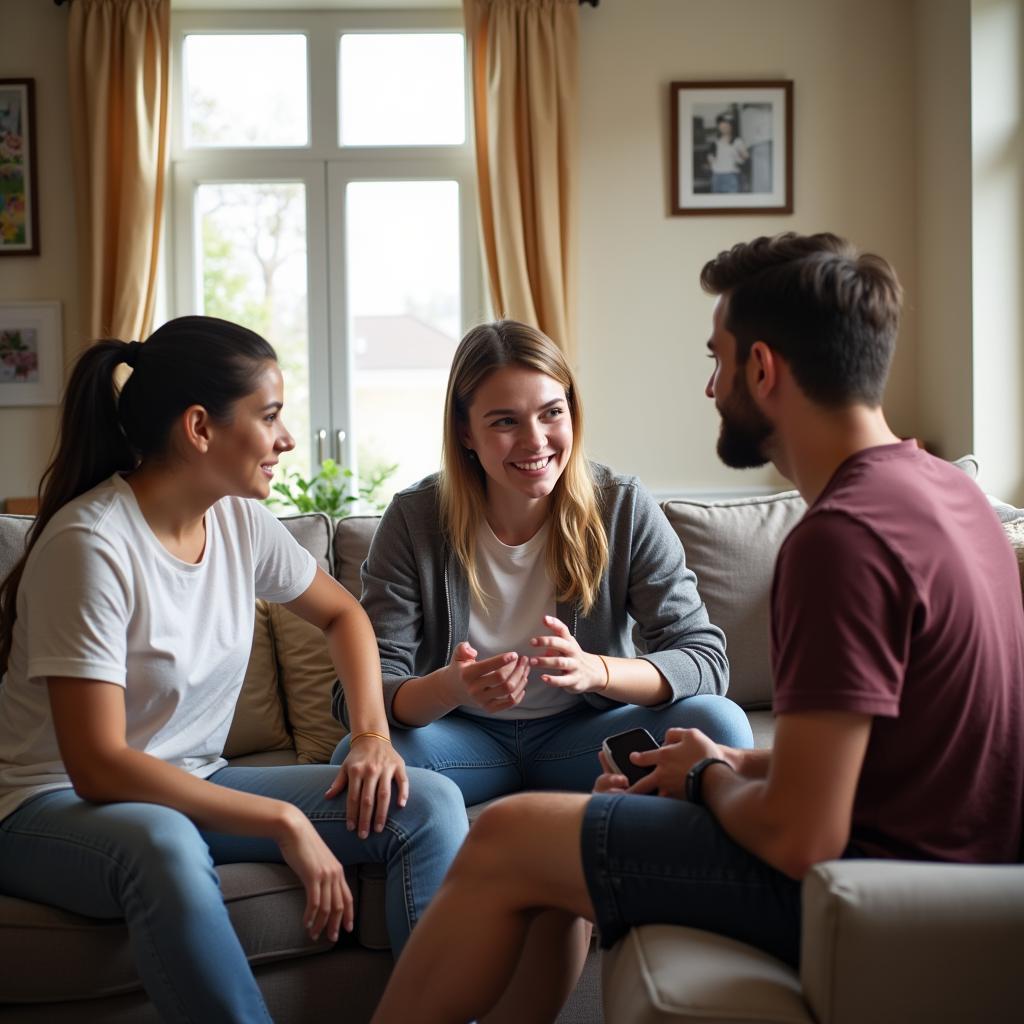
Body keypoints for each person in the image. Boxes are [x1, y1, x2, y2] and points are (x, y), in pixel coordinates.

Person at [367, 234, 1024, 1024]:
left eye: (718, 359)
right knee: (545, 843)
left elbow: (799, 836)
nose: (710, 387)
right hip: (943, 864)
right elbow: (895, 755)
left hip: (871, 883)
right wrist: (735, 762)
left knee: (509, 836)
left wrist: (708, 778)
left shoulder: (840, 537)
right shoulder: (951, 496)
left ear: (762, 369)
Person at [0, 316, 468, 1023]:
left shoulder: (239, 523)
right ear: (199, 428)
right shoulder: (90, 546)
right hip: (49, 802)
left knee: (426, 806)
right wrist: (282, 818)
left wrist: (372, 733)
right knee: (162, 842)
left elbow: (346, 617)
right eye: (271, 415)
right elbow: (97, 765)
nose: (285, 439)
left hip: (192, 779)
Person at [329, 319, 752, 807]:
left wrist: (598, 671)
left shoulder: (622, 506)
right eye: (505, 421)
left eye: (552, 412)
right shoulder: (414, 518)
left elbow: (703, 658)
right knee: (356, 760)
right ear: (466, 432)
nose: (536, 441)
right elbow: (361, 691)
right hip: (463, 744)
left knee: (720, 724)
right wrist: (450, 689)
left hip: (589, 739)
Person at [707, 114, 749, 193]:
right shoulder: (714, 143)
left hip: (732, 176)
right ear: (718, 126)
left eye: (727, 124)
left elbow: (745, 157)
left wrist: (738, 156)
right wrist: (711, 161)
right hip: (717, 177)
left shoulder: (738, 141)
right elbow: (710, 160)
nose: (724, 126)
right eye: (721, 124)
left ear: (732, 126)